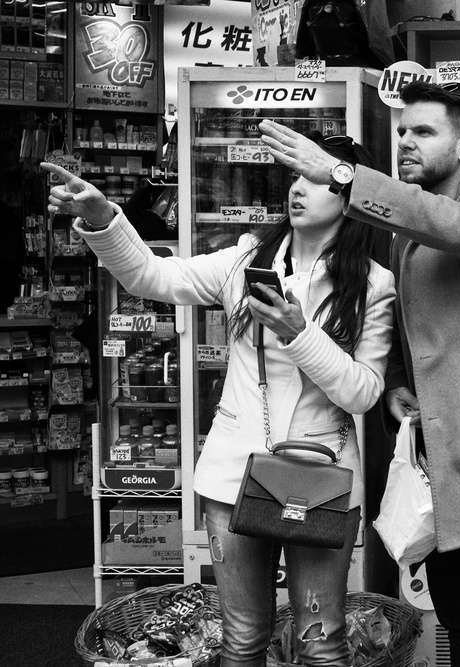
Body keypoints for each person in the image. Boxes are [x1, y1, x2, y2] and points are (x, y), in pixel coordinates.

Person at [41, 133, 395, 667]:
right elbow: (152, 275)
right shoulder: (246, 260)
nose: (299, 189)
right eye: (295, 177)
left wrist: (300, 333)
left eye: (317, 179)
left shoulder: (373, 284)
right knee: (243, 638)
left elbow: (363, 393)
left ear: (349, 195)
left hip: (323, 485)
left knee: (322, 641)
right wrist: (102, 218)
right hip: (235, 479)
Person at [258, 80, 460, 666]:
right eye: (402, 131)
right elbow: (408, 325)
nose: (405, 141)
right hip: (440, 463)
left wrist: (344, 176)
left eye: (423, 132)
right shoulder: (407, 231)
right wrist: (396, 384)